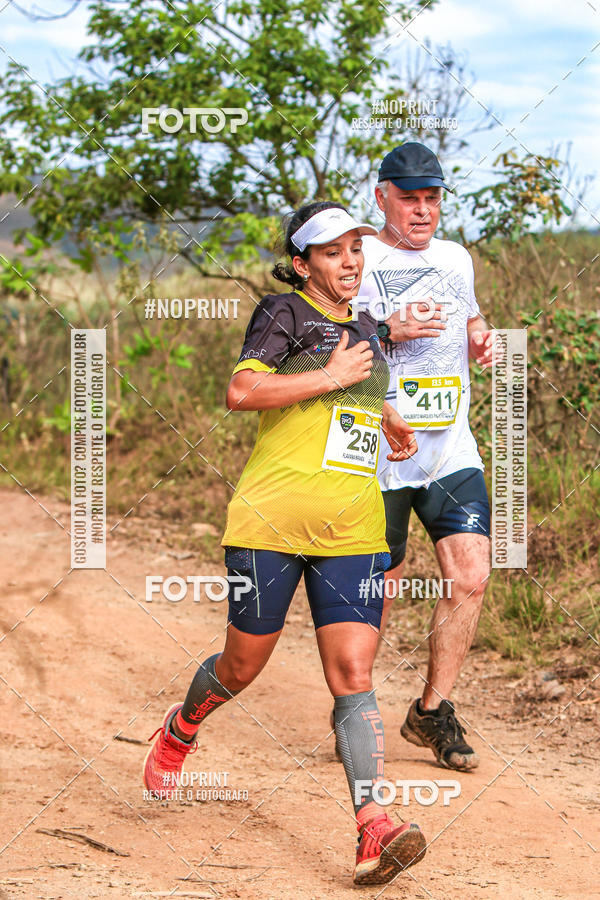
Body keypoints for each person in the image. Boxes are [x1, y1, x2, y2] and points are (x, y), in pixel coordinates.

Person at [143, 202, 427, 885]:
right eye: (333, 253)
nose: (351, 260)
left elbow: (350, 395)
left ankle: (373, 826)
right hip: (269, 523)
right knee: (242, 665)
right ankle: (181, 729)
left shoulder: (362, 326)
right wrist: (329, 377)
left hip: (352, 526)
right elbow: (243, 391)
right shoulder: (284, 314)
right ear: (304, 264)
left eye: (356, 248)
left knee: (353, 674)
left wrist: (385, 418)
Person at [352, 142, 495, 771]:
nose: (421, 210)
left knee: (471, 576)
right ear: (381, 196)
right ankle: (355, 714)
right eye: (408, 198)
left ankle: (432, 713)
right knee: (373, 590)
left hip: (448, 448)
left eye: (432, 199)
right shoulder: (359, 256)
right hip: (377, 450)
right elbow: (328, 340)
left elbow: (471, 319)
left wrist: (480, 337)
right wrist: (388, 331)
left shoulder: (456, 258)